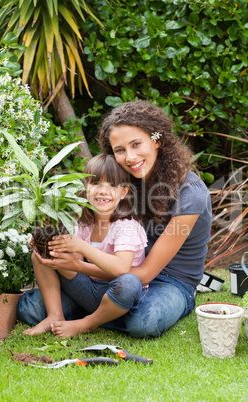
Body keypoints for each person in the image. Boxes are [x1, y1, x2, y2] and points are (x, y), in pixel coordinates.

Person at [18, 100, 212, 338]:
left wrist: (78, 266)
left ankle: (92, 317)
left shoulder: (190, 193)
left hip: (168, 281)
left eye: (136, 144)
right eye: (120, 150)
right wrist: (51, 242)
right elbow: (84, 216)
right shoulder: (122, 181)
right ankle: (106, 308)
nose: (130, 157)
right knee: (30, 308)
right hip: (113, 270)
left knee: (145, 322)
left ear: (157, 140)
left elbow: (144, 274)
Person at [22, 153, 147, 336]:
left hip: (118, 296)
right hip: (87, 289)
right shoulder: (82, 222)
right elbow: (74, 261)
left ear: (124, 192)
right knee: (42, 255)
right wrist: (47, 245)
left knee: (129, 283)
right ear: (86, 187)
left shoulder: (126, 226)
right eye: (96, 183)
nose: (103, 191)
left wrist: (80, 246)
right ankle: (55, 315)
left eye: (112, 185)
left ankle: (87, 323)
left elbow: (120, 268)